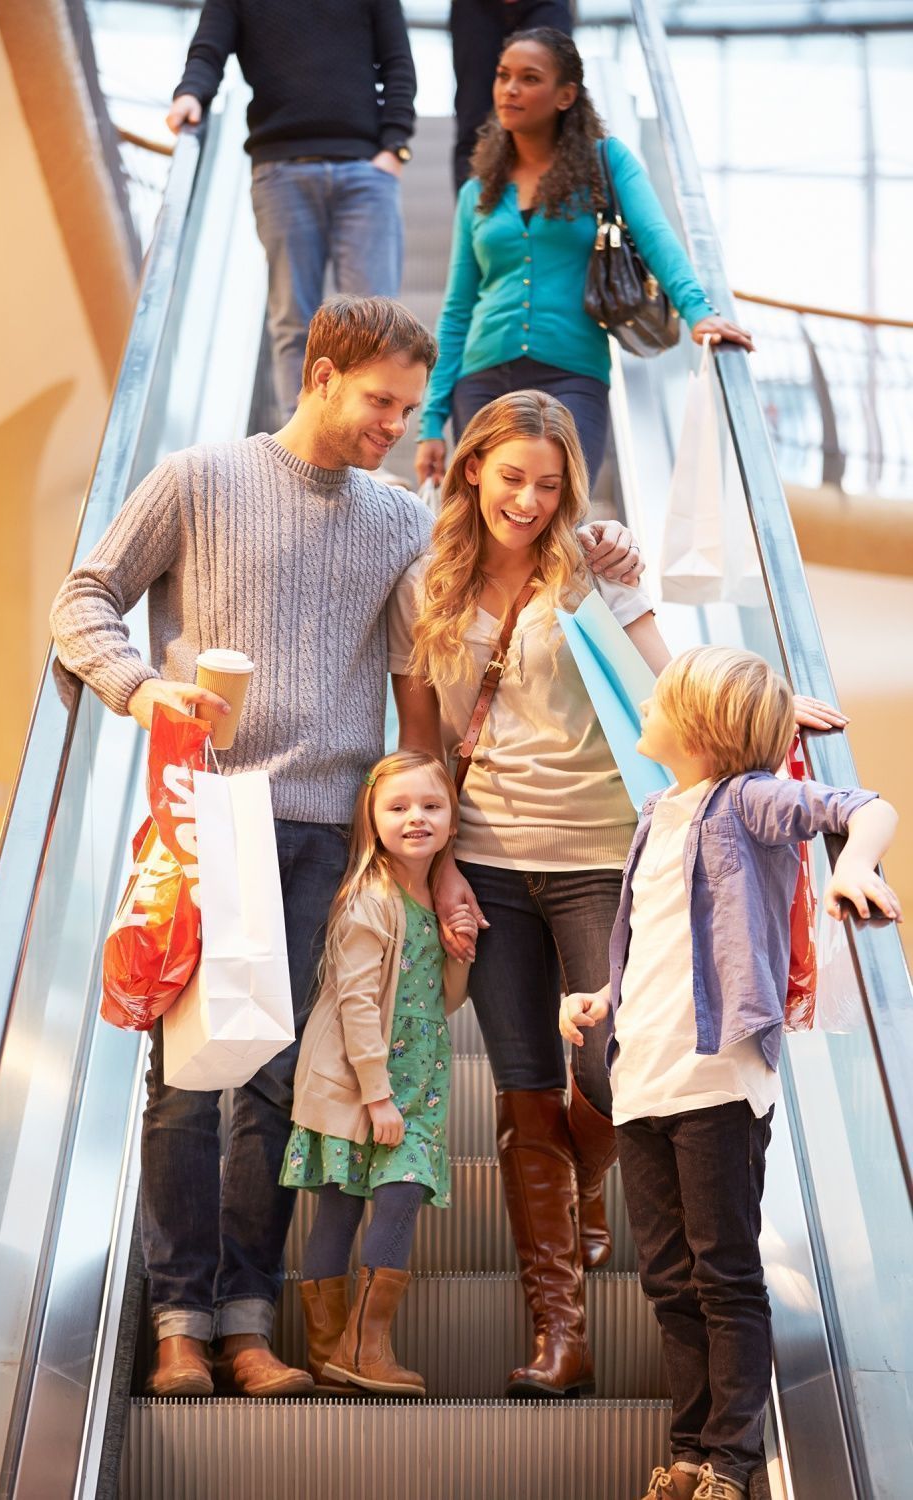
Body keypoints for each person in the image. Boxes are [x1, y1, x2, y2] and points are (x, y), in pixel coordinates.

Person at [49, 294, 640, 1400]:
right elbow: (86, 597)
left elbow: (437, 678)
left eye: (412, 407)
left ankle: (245, 1319)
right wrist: (141, 690)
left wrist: (426, 854)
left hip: (332, 833)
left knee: (279, 1087)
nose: (394, 425)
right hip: (211, 820)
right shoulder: (197, 478)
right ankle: (178, 1319)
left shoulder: (396, 518)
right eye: (381, 402)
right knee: (185, 1085)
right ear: (319, 374)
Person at [392, 390, 845, 1399]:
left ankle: (593, 1179)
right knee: (519, 1090)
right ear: (472, 470)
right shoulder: (424, 584)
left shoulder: (592, 564)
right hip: (488, 862)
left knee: (606, 1070)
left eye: (548, 485)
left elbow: (669, 675)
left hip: (605, 852)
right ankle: (561, 1335)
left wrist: (765, 709)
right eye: (512, 478)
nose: (528, 499)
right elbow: (418, 741)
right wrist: (441, 868)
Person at [560, 647, 900, 1500]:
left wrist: (852, 865)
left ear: (703, 726)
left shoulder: (745, 801)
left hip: (717, 1080)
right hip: (644, 1079)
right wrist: (604, 995)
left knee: (724, 1271)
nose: (646, 705)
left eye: (662, 698)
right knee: (668, 1278)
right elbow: (664, 937)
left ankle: (732, 1459)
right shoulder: (656, 814)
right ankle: (685, 1453)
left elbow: (867, 805)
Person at [415, 27, 753, 492]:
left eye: (530, 78)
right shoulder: (478, 191)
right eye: (503, 75)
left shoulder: (605, 161)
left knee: (561, 516)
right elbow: (457, 309)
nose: (510, 88)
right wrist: (431, 421)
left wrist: (699, 312)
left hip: (573, 374)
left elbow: (656, 238)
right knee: (484, 525)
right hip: (482, 378)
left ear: (565, 95)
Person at [281, 750, 474, 1396]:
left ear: (452, 819)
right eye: (398, 807)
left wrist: (460, 953)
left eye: (430, 806)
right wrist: (376, 1095)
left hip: (417, 1089)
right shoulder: (369, 900)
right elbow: (358, 1003)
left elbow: (442, 1002)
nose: (416, 817)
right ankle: (339, 1351)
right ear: (372, 818)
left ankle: (358, 1347)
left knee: (401, 1189)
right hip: (365, 1088)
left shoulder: (430, 901)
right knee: (345, 1211)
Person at [167, 0, 416, 424]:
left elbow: (398, 65)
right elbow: (208, 49)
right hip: (280, 170)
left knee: (379, 325)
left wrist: (394, 148)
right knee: (294, 322)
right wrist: (191, 94)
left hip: (364, 170)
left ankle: (367, 447)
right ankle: (298, 448)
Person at [450, 0, 574, 191]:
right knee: (475, 124)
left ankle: (551, 209)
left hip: (546, 4)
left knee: (551, 114)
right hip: (475, 7)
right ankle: (477, 217)